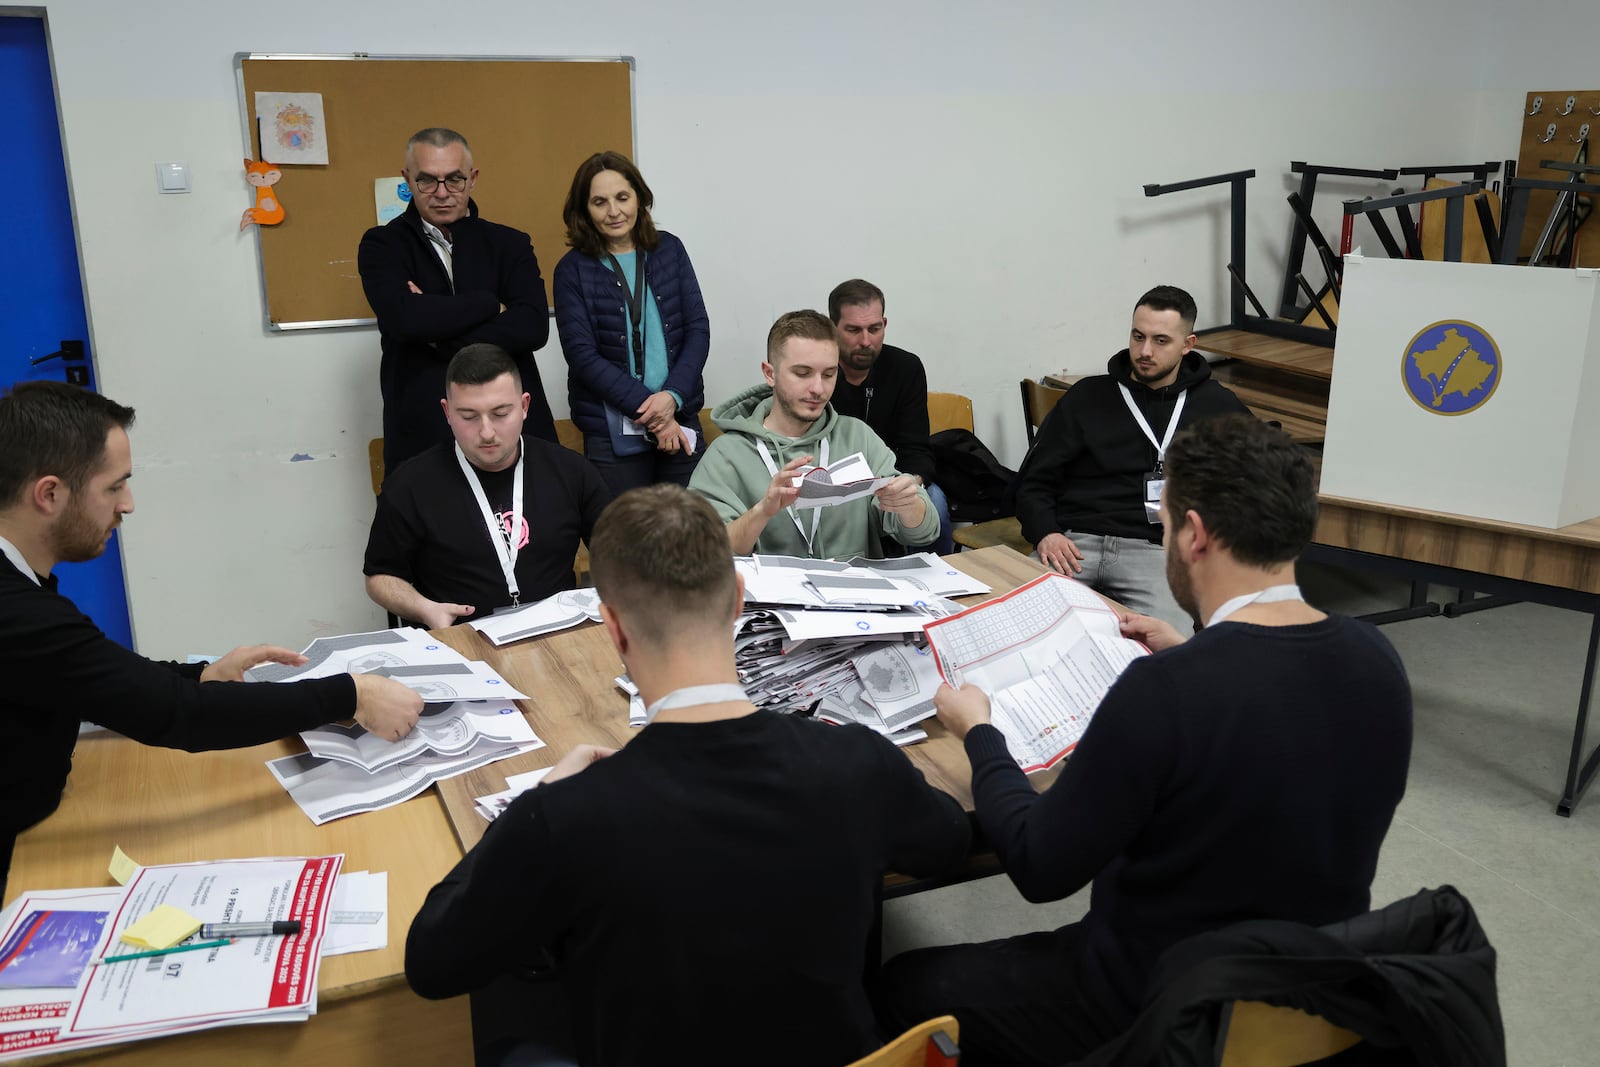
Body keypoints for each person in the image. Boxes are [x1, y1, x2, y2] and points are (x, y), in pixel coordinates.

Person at [874, 415, 1414, 1066]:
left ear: (1193, 534)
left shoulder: (1166, 691)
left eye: (1164, 522)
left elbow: (1040, 865)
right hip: (1313, 990)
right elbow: (1273, 722)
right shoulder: (1378, 661)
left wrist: (980, 731)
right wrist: (1194, 651)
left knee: (902, 986)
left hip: (1160, 999)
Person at [405, 484, 971, 1065]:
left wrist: (532, 806)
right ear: (737, 601)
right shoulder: (857, 760)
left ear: (613, 628)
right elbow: (949, 842)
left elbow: (432, 962)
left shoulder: (563, 816)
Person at [0, 382, 422, 898]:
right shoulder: (18, 612)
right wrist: (350, 695)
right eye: (114, 487)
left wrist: (197, 674)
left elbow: (94, 673)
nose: (128, 505)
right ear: (49, 494)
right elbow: (178, 715)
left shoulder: (21, 585)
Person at [1014, 285, 1251, 630]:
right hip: (1075, 542)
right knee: (1015, 626)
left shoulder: (1219, 408)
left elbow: (1253, 492)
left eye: (1160, 341)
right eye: (1138, 336)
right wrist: (1046, 532)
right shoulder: (1088, 397)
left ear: (1188, 345)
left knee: (1167, 646)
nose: (1144, 351)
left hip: (1157, 552)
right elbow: (1034, 483)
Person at [364, 344, 612, 629]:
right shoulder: (410, 484)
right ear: (447, 412)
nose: (486, 432)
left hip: (558, 635)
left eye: (500, 413)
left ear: (524, 406)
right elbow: (379, 576)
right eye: (468, 417)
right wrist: (424, 609)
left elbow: (621, 556)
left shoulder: (571, 471)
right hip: (462, 640)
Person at [358, 127, 554, 472]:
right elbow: (405, 320)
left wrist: (435, 330)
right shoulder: (382, 245)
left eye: (455, 180)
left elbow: (533, 327)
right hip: (424, 431)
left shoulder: (509, 244)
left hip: (512, 433)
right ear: (407, 179)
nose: (442, 193)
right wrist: (489, 304)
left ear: (472, 178)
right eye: (427, 181)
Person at [689, 310, 939, 558]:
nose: (818, 388)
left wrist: (909, 507)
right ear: (770, 373)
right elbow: (705, 553)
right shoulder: (728, 455)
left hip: (854, 593)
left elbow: (924, 533)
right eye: (802, 373)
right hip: (773, 596)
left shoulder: (858, 437)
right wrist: (762, 511)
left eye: (829, 374)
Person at [554, 150, 711, 493]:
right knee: (626, 538)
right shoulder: (572, 270)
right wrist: (655, 414)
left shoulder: (670, 249)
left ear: (639, 198)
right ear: (584, 209)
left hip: (680, 416)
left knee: (690, 535)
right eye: (599, 201)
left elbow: (698, 330)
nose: (614, 211)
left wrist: (670, 399)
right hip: (611, 433)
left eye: (622, 197)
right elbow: (582, 355)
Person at [827, 278, 953, 554]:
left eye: (874, 329)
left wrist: (909, 486)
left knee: (935, 504)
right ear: (832, 328)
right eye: (853, 330)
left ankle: (941, 587)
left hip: (892, 479)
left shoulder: (905, 368)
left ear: (885, 323)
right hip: (835, 488)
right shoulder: (820, 371)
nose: (866, 341)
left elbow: (917, 448)